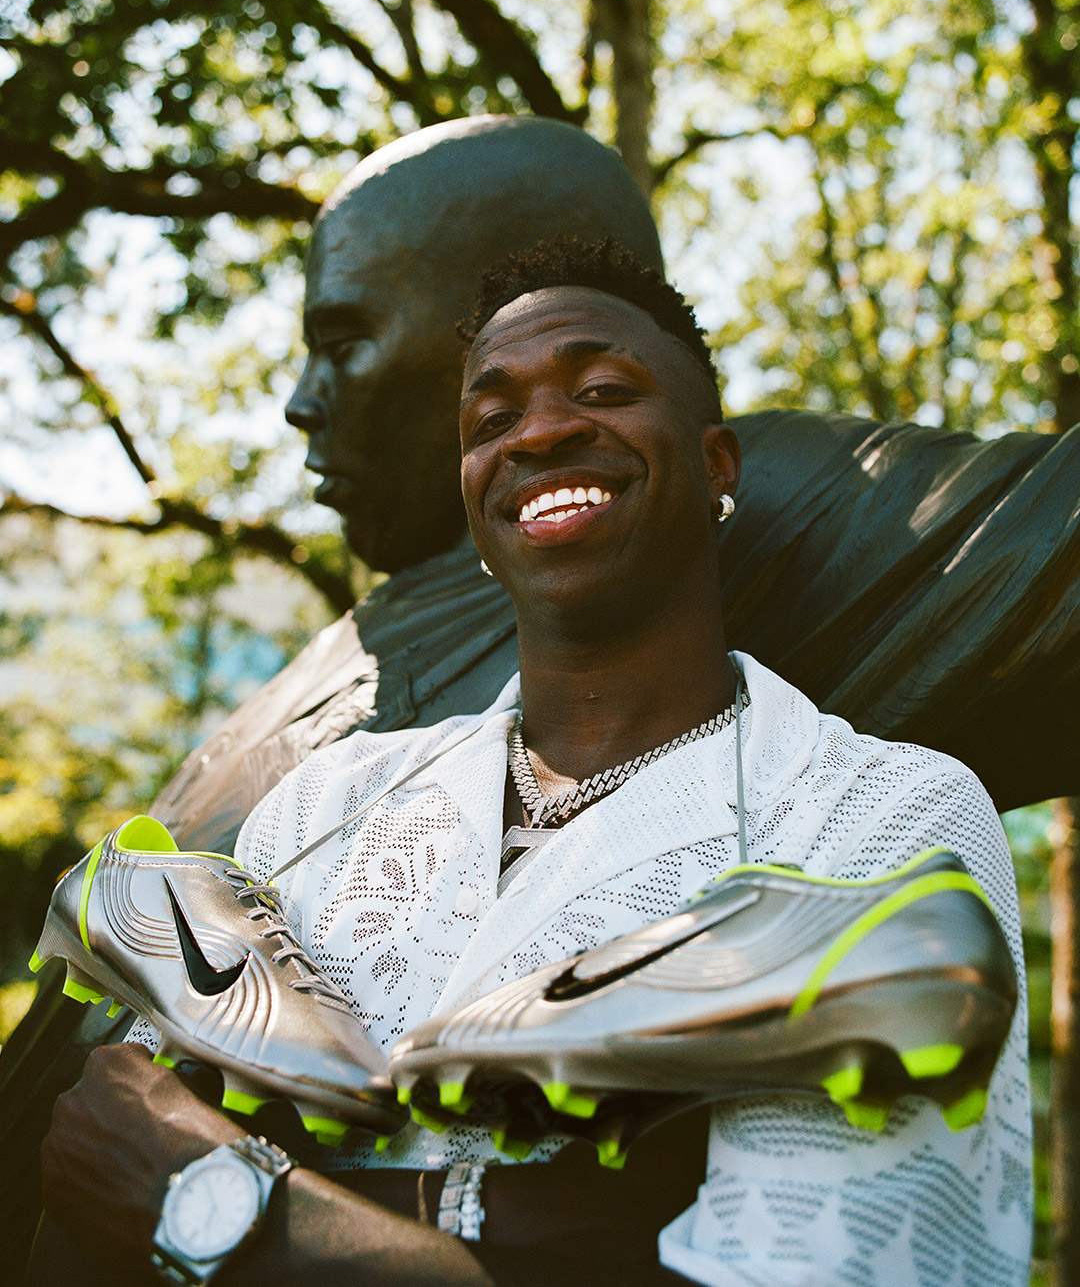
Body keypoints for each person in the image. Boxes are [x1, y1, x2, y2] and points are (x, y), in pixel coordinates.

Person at [34, 240, 1032, 1285]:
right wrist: (579, 1227)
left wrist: (214, 1205)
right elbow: (98, 1170)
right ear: (475, 501)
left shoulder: (878, 814)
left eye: (603, 390)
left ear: (717, 466)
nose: (542, 431)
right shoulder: (322, 803)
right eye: (491, 421)